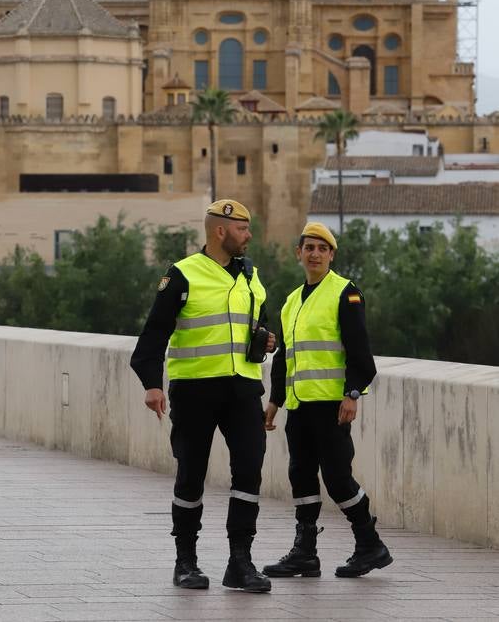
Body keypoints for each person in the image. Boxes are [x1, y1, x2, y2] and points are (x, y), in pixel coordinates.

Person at [130, 199, 275, 593]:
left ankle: (240, 562)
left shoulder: (250, 275)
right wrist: (152, 384)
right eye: (242, 229)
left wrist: (266, 339)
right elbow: (154, 334)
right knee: (191, 473)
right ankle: (186, 561)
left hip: (243, 388)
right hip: (195, 389)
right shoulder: (182, 275)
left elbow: (259, 324)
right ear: (220, 231)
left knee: (249, 470)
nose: (248, 236)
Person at [262, 221, 392, 579]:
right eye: (309, 248)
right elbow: (285, 357)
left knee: (337, 478)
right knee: (301, 475)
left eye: (322, 249)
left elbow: (360, 352)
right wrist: (275, 401)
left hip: (332, 406)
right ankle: (305, 552)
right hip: (299, 406)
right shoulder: (292, 301)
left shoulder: (345, 293)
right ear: (299, 253)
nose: (315, 254)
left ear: (332, 255)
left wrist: (352, 394)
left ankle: (370, 544)